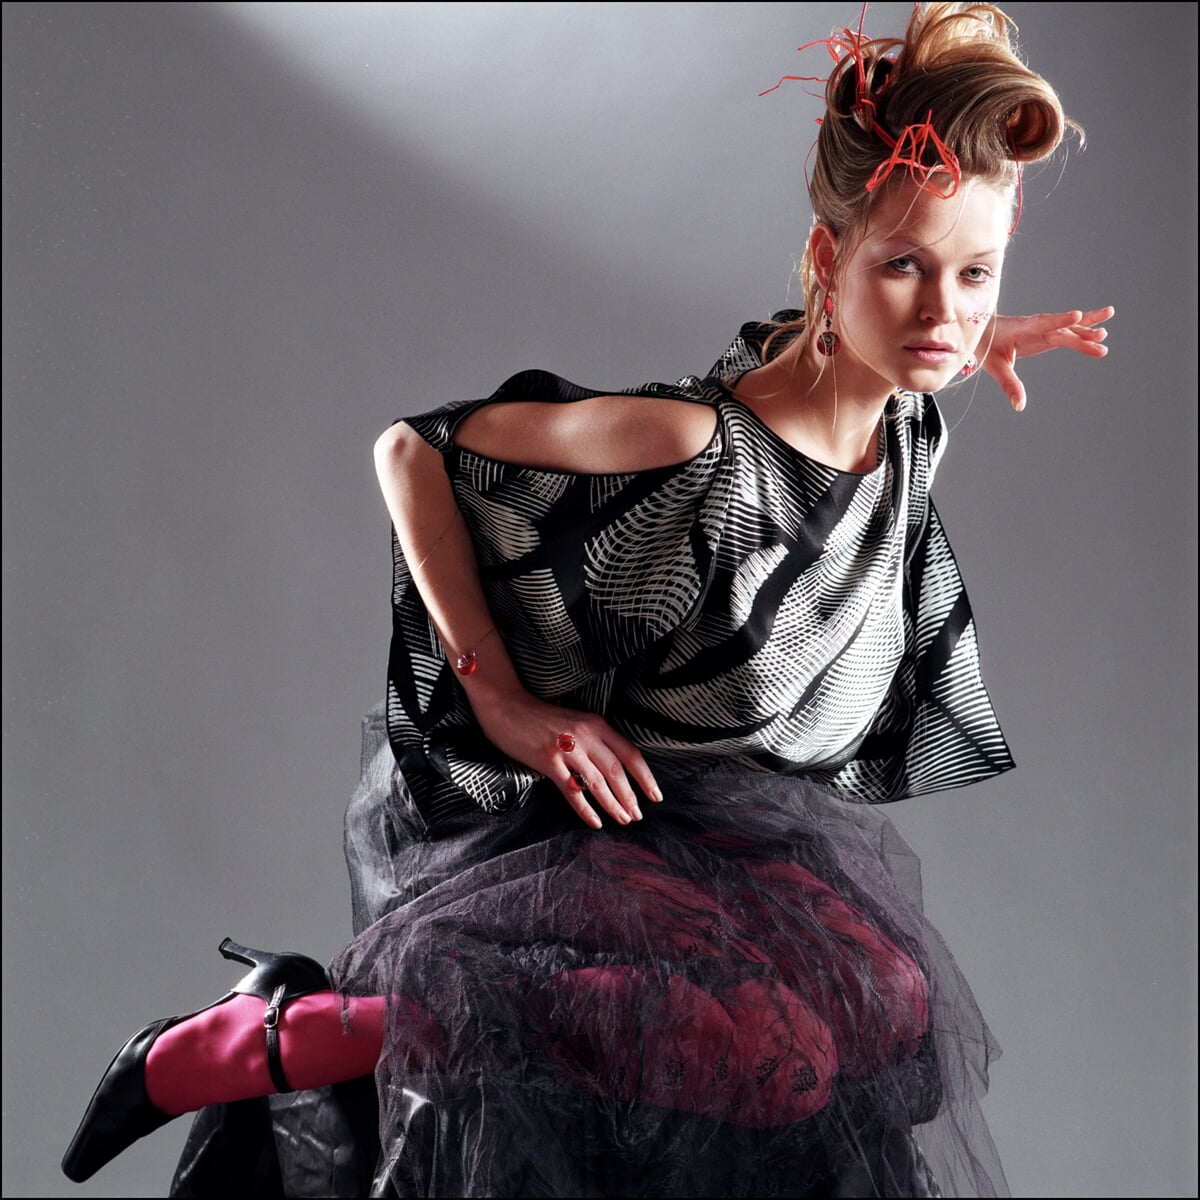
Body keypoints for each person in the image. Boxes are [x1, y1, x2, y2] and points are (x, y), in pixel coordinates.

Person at [62, 4, 1114, 1197]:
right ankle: (284, 1033)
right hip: (583, 826)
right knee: (769, 1055)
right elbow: (411, 450)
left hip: (729, 830)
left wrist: (966, 326)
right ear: (828, 262)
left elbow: (909, 333)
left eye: (976, 274)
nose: (943, 314)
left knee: (894, 1009)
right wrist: (502, 702)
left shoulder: (908, 420)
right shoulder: (696, 448)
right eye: (903, 268)